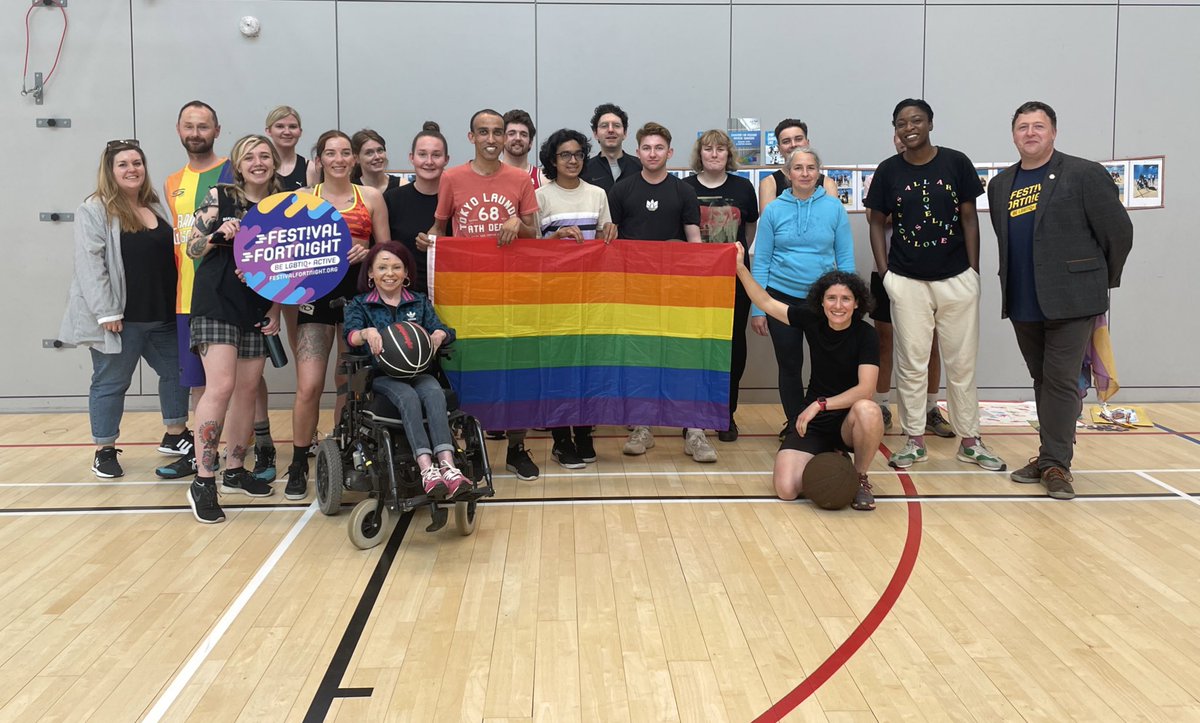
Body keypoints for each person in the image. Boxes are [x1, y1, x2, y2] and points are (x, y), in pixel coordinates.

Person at [987, 101, 1133, 500]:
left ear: (1053, 132)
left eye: (1038, 126)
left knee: (1061, 381)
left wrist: (1099, 281)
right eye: (1022, 127)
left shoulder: (1085, 174)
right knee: (1043, 380)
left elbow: (1118, 233)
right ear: (1013, 134)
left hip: (1073, 300)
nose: (1030, 133)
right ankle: (1050, 454)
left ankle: (1056, 464)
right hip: (1022, 300)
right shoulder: (999, 185)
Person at [865, 98, 1004, 471]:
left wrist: (973, 272)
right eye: (901, 123)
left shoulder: (956, 162)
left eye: (917, 120)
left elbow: (970, 219)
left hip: (957, 279)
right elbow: (876, 222)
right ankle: (914, 440)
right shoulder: (888, 170)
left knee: (962, 363)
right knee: (911, 363)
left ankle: (971, 441)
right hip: (906, 281)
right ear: (894, 129)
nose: (909, 127)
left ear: (930, 123)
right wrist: (887, 273)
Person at [417, 108, 540, 481]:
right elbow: (440, 227)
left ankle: (517, 448)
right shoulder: (452, 178)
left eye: (498, 132)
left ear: (505, 138)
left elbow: (534, 232)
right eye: (483, 132)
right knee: (468, 368)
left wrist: (519, 223)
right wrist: (428, 240)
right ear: (471, 137)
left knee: (516, 366)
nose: (491, 138)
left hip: (512, 290)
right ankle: (470, 447)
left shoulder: (521, 179)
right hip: (468, 293)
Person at [59, 140, 190, 479]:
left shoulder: (154, 206)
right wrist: (106, 313)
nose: (132, 169)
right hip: (120, 318)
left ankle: (175, 435)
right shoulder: (94, 209)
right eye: (123, 164)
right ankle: (104, 450)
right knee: (111, 383)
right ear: (110, 170)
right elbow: (90, 265)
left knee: (177, 374)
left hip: (161, 315)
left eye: (137, 162)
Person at [735, 245, 881, 510]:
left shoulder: (866, 335)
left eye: (846, 299)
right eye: (831, 298)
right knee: (787, 489)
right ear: (821, 302)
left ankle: (859, 478)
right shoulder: (812, 320)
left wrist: (819, 404)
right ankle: (831, 461)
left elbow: (866, 389)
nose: (838, 306)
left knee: (868, 410)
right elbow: (767, 302)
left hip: (849, 420)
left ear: (857, 302)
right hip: (816, 421)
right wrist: (740, 269)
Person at [184, 135, 284, 523]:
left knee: (247, 390)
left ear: (274, 163)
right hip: (216, 303)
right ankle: (203, 481)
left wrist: (276, 306)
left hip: (257, 307)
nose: (257, 162)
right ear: (238, 166)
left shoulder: (282, 206)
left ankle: (235, 470)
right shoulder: (219, 196)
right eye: (249, 157)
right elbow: (192, 248)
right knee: (221, 386)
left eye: (264, 156)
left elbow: (290, 266)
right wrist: (217, 236)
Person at [288, 130, 390, 499]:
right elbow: (285, 253)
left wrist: (369, 253)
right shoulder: (303, 198)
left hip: (357, 300)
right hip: (314, 299)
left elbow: (386, 253)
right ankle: (299, 461)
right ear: (319, 159)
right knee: (310, 385)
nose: (339, 159)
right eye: (331, 153)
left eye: (346, 152)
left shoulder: (372, 197)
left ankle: (342, 453)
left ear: (355, 159)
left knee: (348, 385)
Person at [608, 122, 715, 462]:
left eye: (659, 148)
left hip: (677, 291)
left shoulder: (683, 192)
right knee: (640, 358)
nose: (652, 153)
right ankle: (642, 426)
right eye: (646, 148)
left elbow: (694, 238)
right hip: (635, 293)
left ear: (669, 153)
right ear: (637, 152)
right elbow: (609, 244)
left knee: (683, 356)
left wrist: (701, 280)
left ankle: (694, 430)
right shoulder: (622, 191)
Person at [343, 242, 470, 498]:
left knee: (434, 392)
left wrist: (439, 334)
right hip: (382, 376)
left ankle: (448, 466)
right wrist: (366, 334)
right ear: (370, 273)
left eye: (396, 267)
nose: (389, 273)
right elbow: (350, 335)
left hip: (419, 372)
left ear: (406, 272)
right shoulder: (361, 304)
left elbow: (446, 330)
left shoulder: (419, 301)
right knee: (408, 397)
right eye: (382, 267)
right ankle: (426, 469)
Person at [752, 147, 855, 443]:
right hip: (780, 299)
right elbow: (762, 261)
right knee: (789, 364)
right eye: (798, 168)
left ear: (819, 172)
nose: (805, 173)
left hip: (822, 302)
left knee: (827, 365)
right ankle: (795, 423)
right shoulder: (773, 211)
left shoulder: (834, 208)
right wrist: (759, 309)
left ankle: (821, 423)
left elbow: (845, 257)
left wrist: (849, 303)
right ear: (787, 173)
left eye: (811, 168)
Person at [158, 100, 232, 480]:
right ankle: (204, 458)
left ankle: (235, 458)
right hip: (187, 298)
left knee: (232, 383)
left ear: (217, 130)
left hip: (227, 298)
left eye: (203, 126)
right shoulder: (172, 182)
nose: (195, 133)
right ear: (178, 129)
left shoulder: (231, 172)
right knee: (198, 385)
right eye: (189, 126)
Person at [535, 127, 617, 468]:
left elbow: (603, 242)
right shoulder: (540, 196)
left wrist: (609, 234)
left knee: (587, 368)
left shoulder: (598, 194)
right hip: (553, 297)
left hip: (589, 297)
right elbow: (530, 249)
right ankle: (560, 439)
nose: (572, 160)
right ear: (552, 160)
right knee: (558, 369)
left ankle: (584, 432)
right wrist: (553, 239)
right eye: (565, 155)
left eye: (578, 154)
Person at [871, 133, 952, 438]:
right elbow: (875, 217)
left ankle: (931, 408)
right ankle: (881, 405)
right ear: (895, 139)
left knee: (930, 343)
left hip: (930, 272)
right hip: (887, 271)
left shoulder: (940, 173)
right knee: (884, 340)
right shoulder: (886, 172)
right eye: (899, 134)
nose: (906, 138)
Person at [683, 130, 759, 442]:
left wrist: (733, 257)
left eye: (720, 149)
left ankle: (725, 413)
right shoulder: (685, 188)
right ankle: (692, 416)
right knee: (695, 345)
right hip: (695, 281)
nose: (714, 154)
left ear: (729, 154)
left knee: (733, 345)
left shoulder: (742, 187)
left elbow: (750, 228)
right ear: (699, 154)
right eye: (708, 149)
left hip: (735, 278)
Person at [384, 121, 449, 295]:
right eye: (422, 154)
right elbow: (383, 251)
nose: (429, 162)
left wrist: (439, 245)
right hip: (404, 296)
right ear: (411, 157)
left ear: (446, 160)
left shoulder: (457, 201)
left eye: (436, 155)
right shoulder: (392, 199)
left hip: (450, 293)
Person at [757, 118, 839, 214]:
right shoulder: (769, 184)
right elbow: (769, 223)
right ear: (779, 149)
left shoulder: (828, 184)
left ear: (807, 143)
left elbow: (833, 219)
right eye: (786, 141)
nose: (793, 144)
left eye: (798, 139)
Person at [582, 103, 641, 191]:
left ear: (625, 133)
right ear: (595, 134)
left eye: (616, 126)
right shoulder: (584, 170)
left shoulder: (640, 167)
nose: (610, 130)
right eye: (604, 126)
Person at [265, 105, 310, 191]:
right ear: (268, 131)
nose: (287, 132)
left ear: (300, 132)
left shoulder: (310, 168)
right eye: (280, 126)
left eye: (292, 127)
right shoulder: (260, 166)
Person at [351, 129, 404, 194]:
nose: (377, 157)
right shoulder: (351, 190)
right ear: (356, 158)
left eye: (380, 150)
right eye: (369, 153)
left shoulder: (402, 186)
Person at [502, 109, 544, 188]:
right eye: (512, 133)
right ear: (502, 139)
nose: (518, 138)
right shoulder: (490, 174)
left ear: (530, 142)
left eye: (523, 134)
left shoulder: (542, 179)